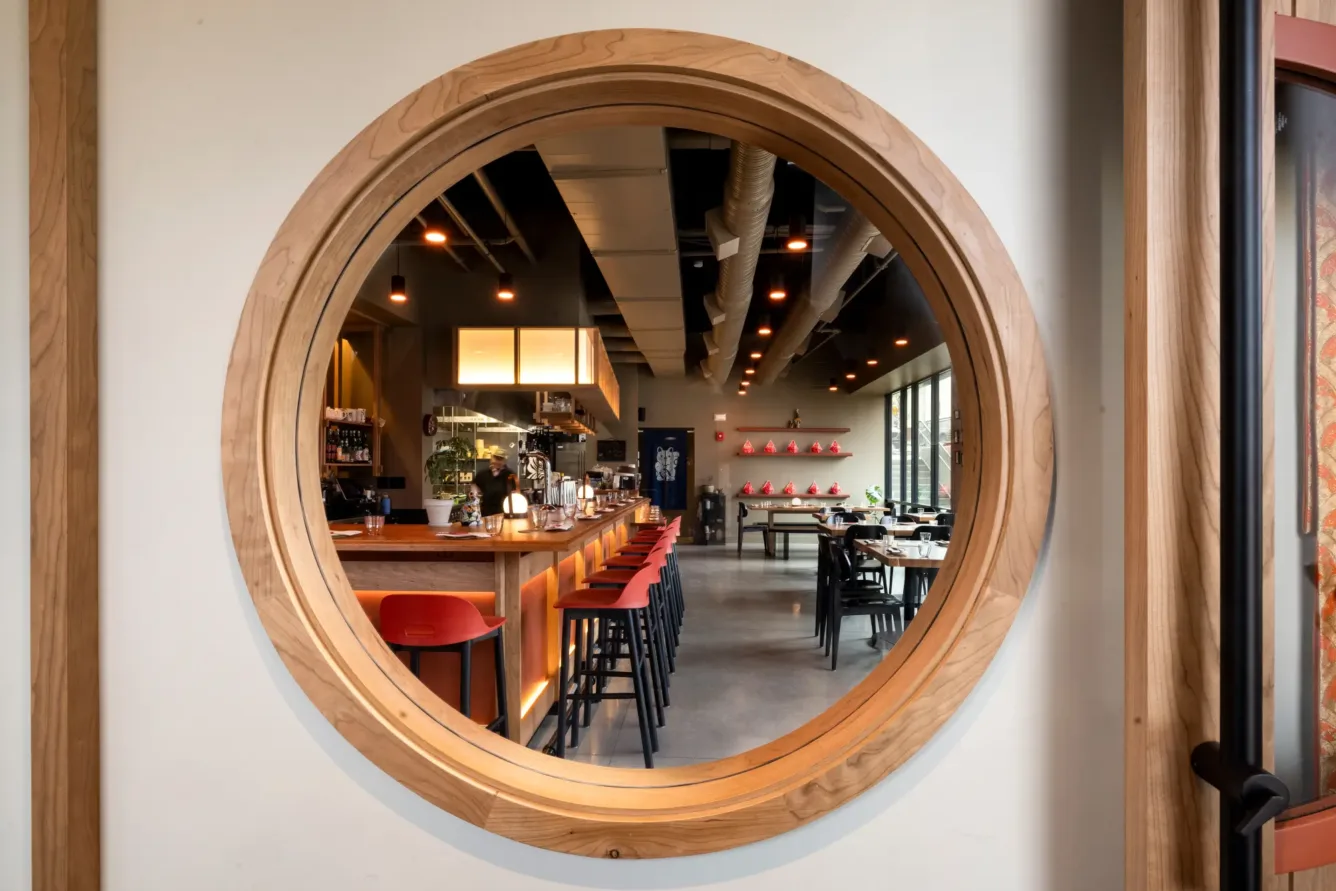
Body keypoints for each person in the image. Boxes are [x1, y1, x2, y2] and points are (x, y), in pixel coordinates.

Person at [475, 450, 519, 516]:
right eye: (496, 458)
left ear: (504, 461)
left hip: (504, 512)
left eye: (500, 459)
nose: (497, 461)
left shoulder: (510, 474)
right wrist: (475, 496)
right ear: (491, 459)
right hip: (486, 513)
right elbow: (475, 486)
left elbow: (515, 493)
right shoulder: (483, 474)